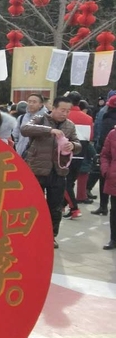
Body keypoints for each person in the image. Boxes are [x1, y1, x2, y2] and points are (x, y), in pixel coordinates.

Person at [21, 96, 81, 248]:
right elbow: (25, 129)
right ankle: (31, 234)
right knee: (34, 205)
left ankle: (51, 236)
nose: (64, 113)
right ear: (53, 108)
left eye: (67, 111)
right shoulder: (40, 118)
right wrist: (49, 130)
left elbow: (78, 143)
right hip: (37, 170)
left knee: (55, 207)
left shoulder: (69, 125)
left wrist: (73, 146)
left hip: (58, 171)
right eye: (62, 110)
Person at [62, 91, 93, 220]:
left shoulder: (65, 115)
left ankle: (74, 208)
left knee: (64, 183)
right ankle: (64, 206)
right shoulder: (88, 118)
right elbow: (90, 137)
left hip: (65, 153)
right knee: (70, 182)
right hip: (80, 154)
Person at [13, 93, 47, 158]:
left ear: (40, 104)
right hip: (19, 154)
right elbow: (15, 136)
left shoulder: (46, 118)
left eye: (34, 102)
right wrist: (16, 147)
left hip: (36, 157)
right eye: (29, 101)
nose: (31, 104)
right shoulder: (21, 118)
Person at [99, 126, 116, 250]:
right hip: (114, 177)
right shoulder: (113, 134)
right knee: (114, 211)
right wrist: (106, 170)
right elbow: (105, 155)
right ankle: (113, 239)